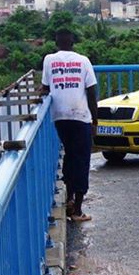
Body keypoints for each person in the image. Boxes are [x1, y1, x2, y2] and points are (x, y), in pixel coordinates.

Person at [40, 28, 98, 222]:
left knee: (70, 155)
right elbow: (91, 92)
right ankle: (77, 210)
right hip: (80, 116)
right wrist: (95, 120)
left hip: (59, 116)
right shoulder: (83, 61)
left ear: (56, 43)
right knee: (81, 159)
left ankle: (70, 198)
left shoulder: (49, 60)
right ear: (73, 42)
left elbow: (46, 87)